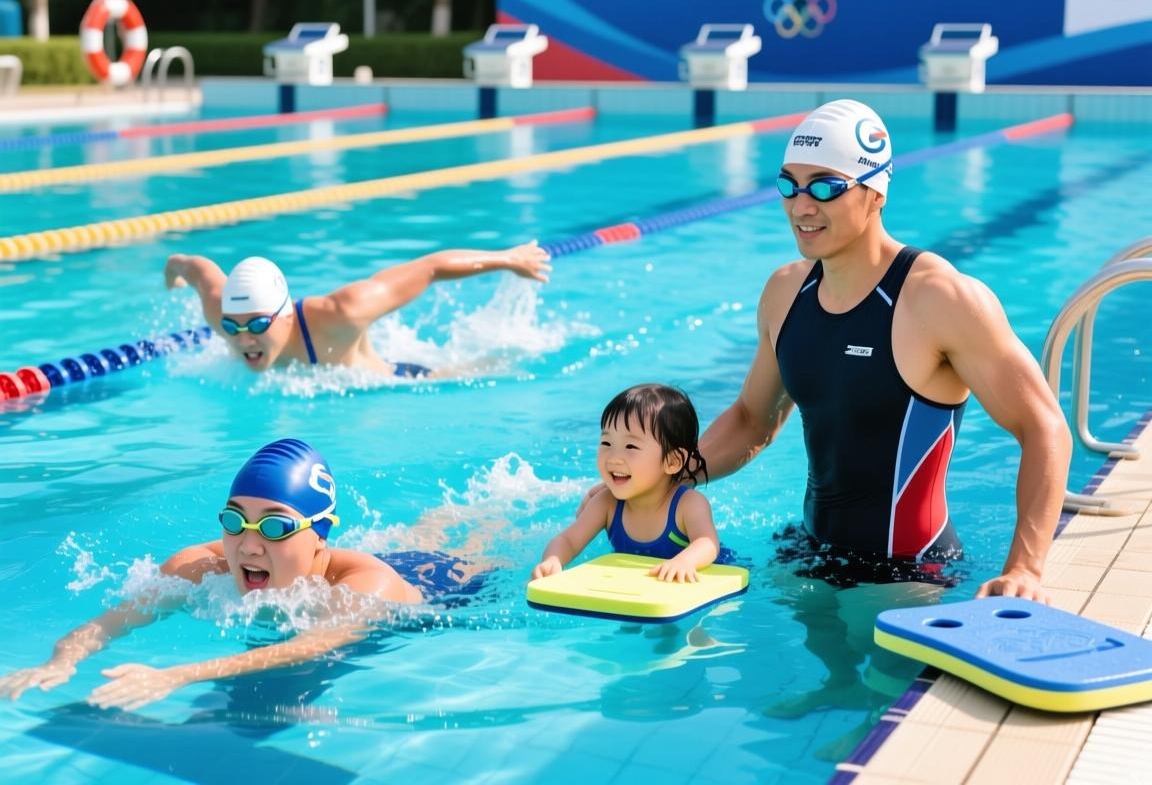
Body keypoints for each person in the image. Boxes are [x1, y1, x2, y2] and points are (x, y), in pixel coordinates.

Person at [695, 98, 1071, 601]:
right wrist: (670, 478)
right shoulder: (785, 292)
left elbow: (1044, 427)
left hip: (909, 572)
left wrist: (1025, 568)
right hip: (810, 554)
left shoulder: (938, 298)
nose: (801, 206)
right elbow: (751, 420)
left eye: (825, 187)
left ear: (875, 193)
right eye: (789, 185)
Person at [0, 439, 484, 711]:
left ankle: (481, 519)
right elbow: (117, 618)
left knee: (472, 549)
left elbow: (307, 648)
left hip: (448, 589)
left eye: (274, 527)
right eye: (235, 521)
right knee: (423, 535)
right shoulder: (197, 565)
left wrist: (175, 676)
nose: (248, 545)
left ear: (320, 535)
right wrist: (60, 659)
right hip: (365, 563)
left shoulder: (365, 588)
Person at [163, 242, 552, 376]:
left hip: (399, 381)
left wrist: (508, 259)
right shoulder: (220, 312)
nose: (243, 338)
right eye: (233, 328)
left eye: (258, 324)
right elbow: (192, 267)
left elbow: (428, 268)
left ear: (285, 315)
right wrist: (172, 274)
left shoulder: (340, 314)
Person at [533, 384, 723, 583]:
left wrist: (685, 561)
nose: (614, 458)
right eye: (606, 443)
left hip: (699, 578)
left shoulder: (687, 504)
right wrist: (553, 560)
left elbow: (707, 543)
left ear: (673, 461)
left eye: (630, 446)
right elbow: (568, 540)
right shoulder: (607, 504)